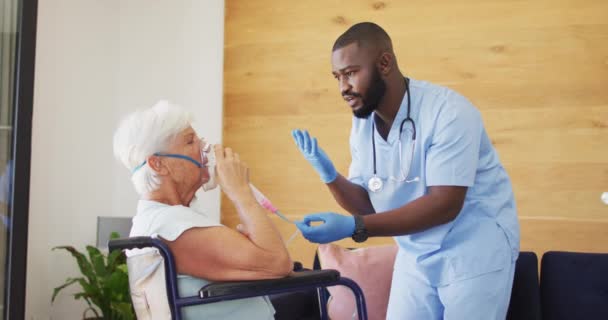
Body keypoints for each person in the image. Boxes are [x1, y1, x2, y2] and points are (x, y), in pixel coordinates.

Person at [292, 22, 520, 320]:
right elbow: (366, 203)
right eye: (337, 77)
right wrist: (330, 176)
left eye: (350, 73)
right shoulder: (363, 123)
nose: (343, 88)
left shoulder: (448, 112)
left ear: (385, 63)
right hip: (414, 253)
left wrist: (355, 227)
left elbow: (444, 204)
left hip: (472, 251)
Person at [113, 100, 292, 319]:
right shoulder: (170, 225)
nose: (206, 148)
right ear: (158, 164)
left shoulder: (161, 220)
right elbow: (277, 263)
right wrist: (240, 191)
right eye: (190, 141)